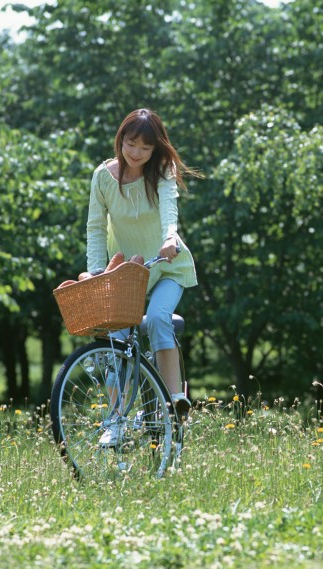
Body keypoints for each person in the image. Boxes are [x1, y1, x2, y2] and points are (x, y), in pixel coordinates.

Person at [86, 108, 199, 446]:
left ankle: (174, 401)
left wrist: (170, 238)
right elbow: (95, 227)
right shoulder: (102, 177)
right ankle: (116, 420)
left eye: (145, 148)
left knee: (159, 319)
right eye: (130, 144)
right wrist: (95, 273)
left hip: (166, 265)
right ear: (120, 140)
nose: (136, 153)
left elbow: (169, 209)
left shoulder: (162, 171)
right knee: (114, 339)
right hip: (126, 271)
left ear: (155, 150)